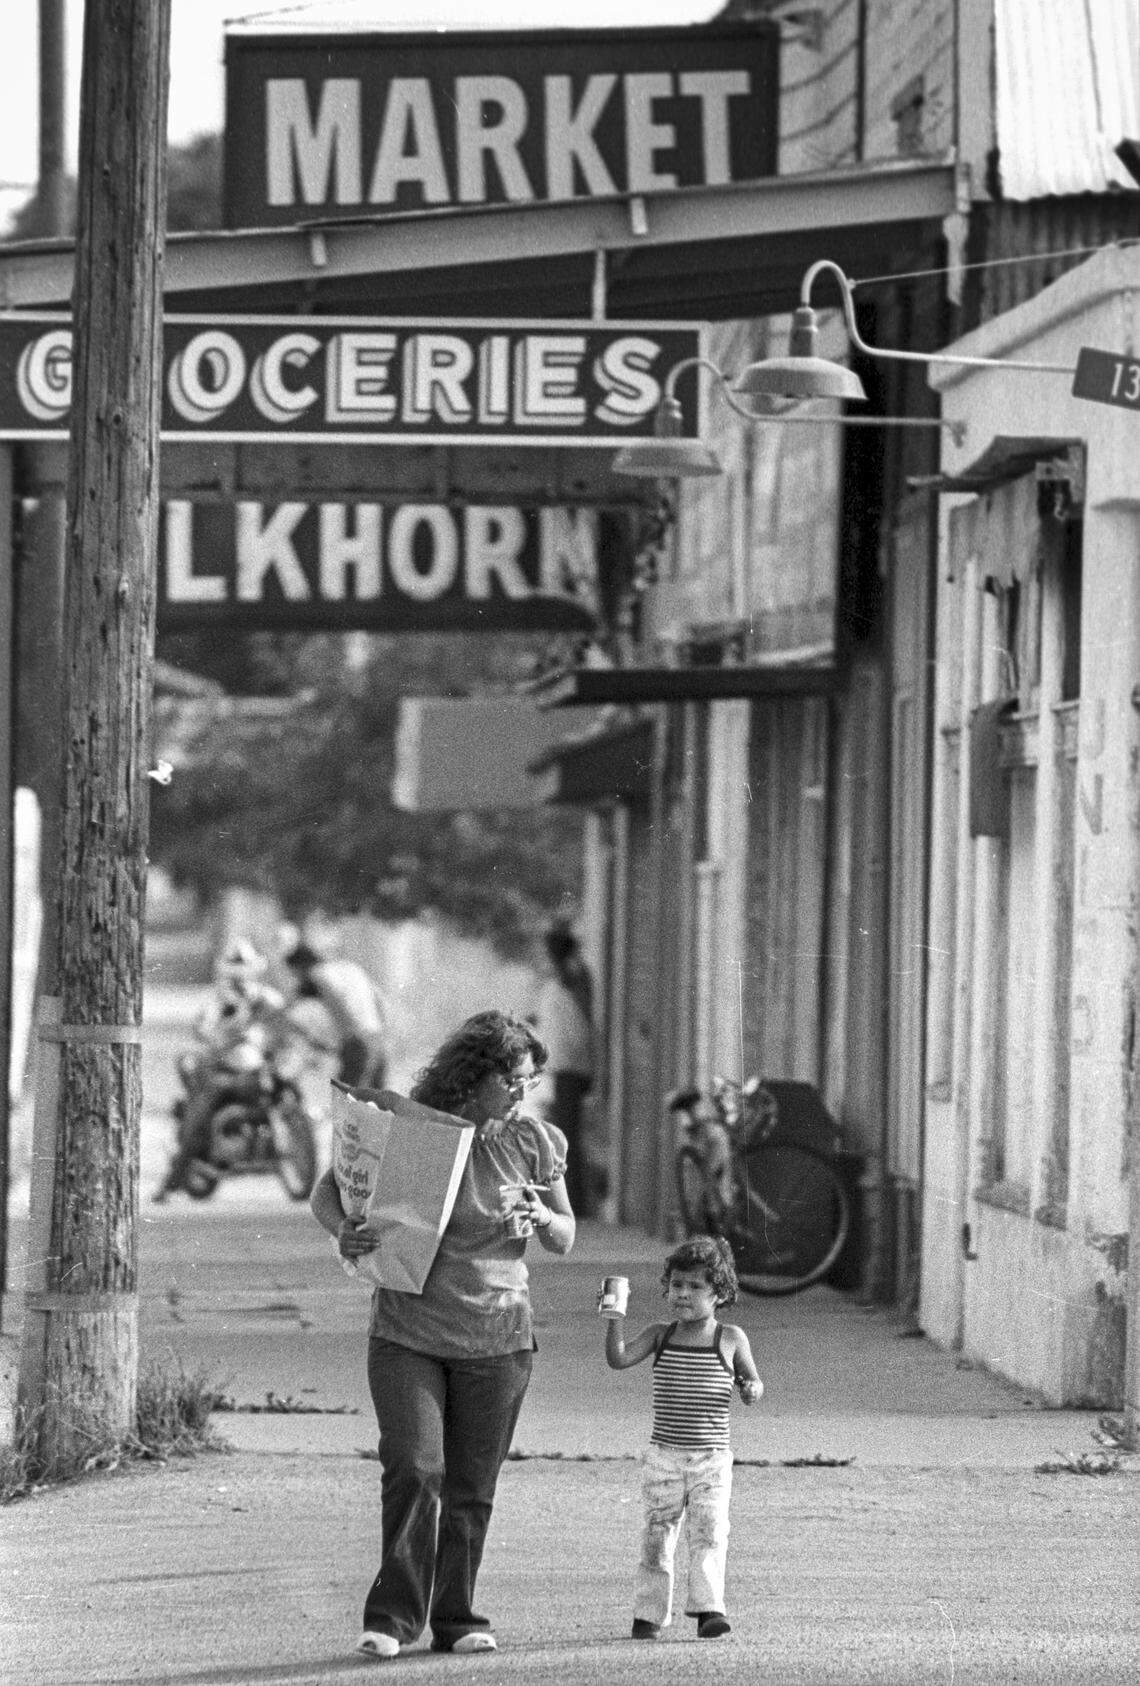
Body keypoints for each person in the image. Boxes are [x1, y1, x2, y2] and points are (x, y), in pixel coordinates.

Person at [310, 1009, 576, 1660]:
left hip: (500, 1338)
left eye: (532, 1080)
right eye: (513, 1080)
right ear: (473, 1078)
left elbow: (566, 1238)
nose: (524, 1093)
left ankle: (457, 1619)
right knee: (415, 1465)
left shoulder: (538, 1142)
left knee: (470, 1487)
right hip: (409, 1330)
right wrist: (342, 1229)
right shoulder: (414, 1133)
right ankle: (393, 1619)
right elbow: (328, 1195)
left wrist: (544, 1214)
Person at [602, 1235, 763, 1643]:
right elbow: (619, 1358)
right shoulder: (661, 1334)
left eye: (695, 1287)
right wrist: (615, 1316)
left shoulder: (730, 1338)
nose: (683, 1294)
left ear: (720, 1294)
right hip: (665, 1456)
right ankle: (648, 1615)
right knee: (658, 1534)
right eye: (676, 1285)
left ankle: (710, 1609)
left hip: (711, 1458)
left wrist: (750, 1389)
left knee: (710, 1531)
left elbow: (752, 1380)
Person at [535, 918, 595, 1212]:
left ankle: (575, 1203)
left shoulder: (568, 977)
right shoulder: (569, 976)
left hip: (570, 1066)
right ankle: (575, 1201)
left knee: (566, 1136)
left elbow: (574, 1024)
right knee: (565, 1133)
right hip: (566, 1064)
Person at [284, 942, 388, 1087]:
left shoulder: (318, 973)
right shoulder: (351, 968)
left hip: (357, 1040)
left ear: (301, 966)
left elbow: (335, 1000)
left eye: (296, 974)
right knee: (376, 1099)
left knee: (348, 1098)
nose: (297, 979)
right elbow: (379, 999)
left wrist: (349, 1036)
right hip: (376, 1036)